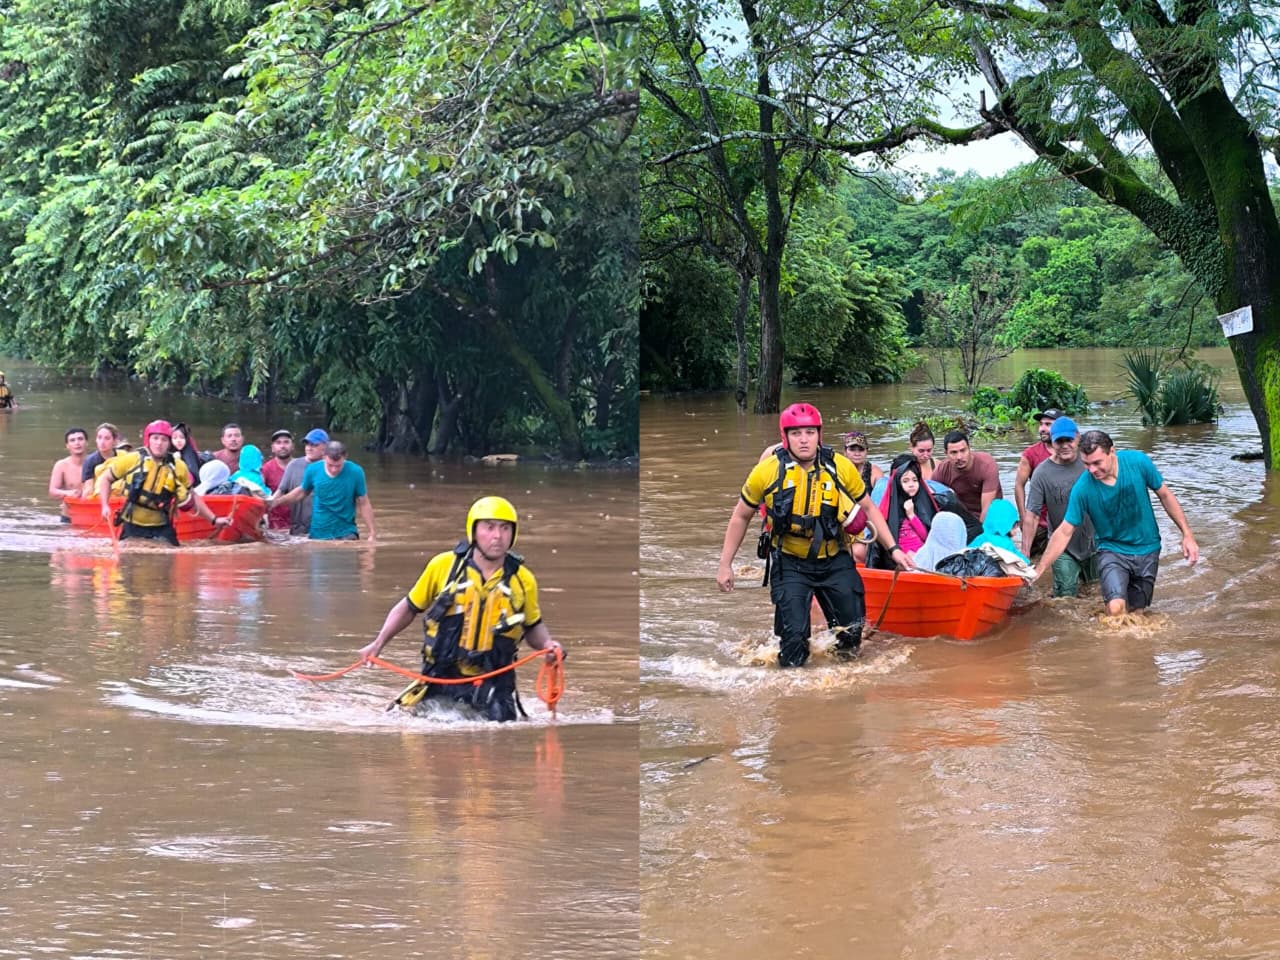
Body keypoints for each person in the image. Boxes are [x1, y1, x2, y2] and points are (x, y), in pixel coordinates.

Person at [716, 402, 912, 667]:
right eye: (796, 433)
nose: (804, 439)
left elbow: (868, 508)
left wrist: (894, 549)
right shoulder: (767, 471)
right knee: (794, 645)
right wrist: (725, 564)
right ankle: (792, 688)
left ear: (819, 434)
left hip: (835, 558)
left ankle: (843, 686)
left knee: (851, 636)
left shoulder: (839, 466)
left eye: (810, 432)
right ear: (785, 436)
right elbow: (741, 515)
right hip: (790, 561)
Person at [357, 496, 563, 722]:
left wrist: (547, 645)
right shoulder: (443, 566)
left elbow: (532, 625)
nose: (497, 536)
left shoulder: (523, 580)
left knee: (501, 736)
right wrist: (378, 643)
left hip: (494, 684)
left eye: (505, 528)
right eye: (489, 527)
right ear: (474, 531)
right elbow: (409, 607)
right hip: (439, 678)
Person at [1034, 429, 1198, 616]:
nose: (1092, 470)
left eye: (1097, 463)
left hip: (1148, 547)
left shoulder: (1138, 462)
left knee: (1137, 613)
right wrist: (1040, 568)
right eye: (1086, 464)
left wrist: (1187, 535)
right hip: (1111, 550)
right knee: (1115, 609)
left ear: (1112, 451)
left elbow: (1165, 495)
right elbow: (1065, 531)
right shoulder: (1083, 488)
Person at [97, 419, 231, 545]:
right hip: (132, 525)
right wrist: (104, 505)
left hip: (162, 527)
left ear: (169, 442)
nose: (159, 443)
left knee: (169, 558)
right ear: (148, 440)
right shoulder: (132, 459)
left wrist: (214, 520)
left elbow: (193, 496)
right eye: (155, 438)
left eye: (164, 439)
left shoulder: (178, 466)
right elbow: (105, 478)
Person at [1021, 416, 1098, 597]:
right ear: (1052, 442)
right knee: (1065, 597)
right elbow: (1032, 515)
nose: (1065, 446)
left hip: (1095, 541)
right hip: (1062, 546)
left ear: (1078, 437)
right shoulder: (1042, 473)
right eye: (1059, 441)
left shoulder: (1090, 463)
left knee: (1097, 591)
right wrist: (1024, 554)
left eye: (1069, 440)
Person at [268, 439, 376, 541]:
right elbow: (301, 492)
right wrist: (277, 502)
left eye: (338, 466)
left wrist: (372, 533)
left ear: (345, 457)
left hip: (346, 532)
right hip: (318, 533)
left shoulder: (356, 472)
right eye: (330, 465)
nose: (334, 470)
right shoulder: (313, 470)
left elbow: (364, 503)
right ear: (324, 457)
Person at [868, 455, 938, 567]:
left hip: (923, 554)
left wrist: (912, 516)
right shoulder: (890, 508)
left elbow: (927, 536)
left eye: (915, 480)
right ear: (898, 483)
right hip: (903, 558)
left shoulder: (923, 504)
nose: (911, 484)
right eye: (905, 481)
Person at [1014, 409, 1062, 557]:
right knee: (1029, 560)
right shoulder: (1031, 454)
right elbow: (1019, 485)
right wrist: (1023, 517)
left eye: (1048, 424)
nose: (1042, 429)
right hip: (1039, 523)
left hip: (1064, 522)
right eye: (1041, 424)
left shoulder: (1071, 453)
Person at [932, 429, 1003, 520]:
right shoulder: (942, 470)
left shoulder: (986, 465)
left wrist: (981, 529)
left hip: (992, 515)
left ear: (969, 449)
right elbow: (930, 499)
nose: (959, 457)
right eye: (954, 452)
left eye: (963, 451)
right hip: (963, 516)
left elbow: (987, 509)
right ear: (946, 454)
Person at [275, 428, 328, 535]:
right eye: (307, 444)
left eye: (314, 445)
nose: (309, 448)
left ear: (325, 447)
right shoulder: (293, 465)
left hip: (323, 528)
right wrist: (267, 505)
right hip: (298, 529)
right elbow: (280, 491)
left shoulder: (331, 468)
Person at [968, 499, 1030, 564]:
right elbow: (1022, 561)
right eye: (1015, 524)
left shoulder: (979, 538)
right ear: (1008, 524)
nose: (1017, 527)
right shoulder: (1006, 544)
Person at [48, 426, 88, 522]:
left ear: (86, 442)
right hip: (68, 517)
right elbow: (52, 491)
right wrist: (68, 493)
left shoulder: (97, 463)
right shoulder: (61, 465)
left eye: (80, 439)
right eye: (72, 440)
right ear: (67, 445)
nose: (77, 443)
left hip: (91, 516)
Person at [261, 429, 295, 529]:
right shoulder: (266, 469)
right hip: (276, 524)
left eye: (286, 442)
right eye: (278, 443)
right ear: (272, 448)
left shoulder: (301, 466)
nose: (282, 446)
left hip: (299, 521)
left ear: (293, 446)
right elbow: (260, 495)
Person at [80, 422, 121, 492]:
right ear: (96, 440)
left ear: (115, 441)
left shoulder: (123, 456)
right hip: (98, 495)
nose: (102, 442)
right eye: (99, 438)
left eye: (107, 438)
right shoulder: (90, 461)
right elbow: (88, 488)